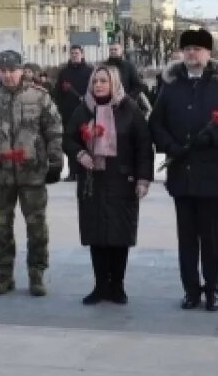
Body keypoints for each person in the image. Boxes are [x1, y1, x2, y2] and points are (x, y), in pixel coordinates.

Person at [149, 29, 218, 312]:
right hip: (181, 172)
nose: (192, 53)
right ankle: (191, 289)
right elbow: (156, 123)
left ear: (209, 54)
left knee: (212, 237)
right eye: (187, 48)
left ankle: (213, 287)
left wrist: (214, 138)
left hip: (210, 173)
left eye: (198, 49)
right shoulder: (170, 85)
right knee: (187, 237)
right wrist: (169, 145)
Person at [0, 50, 64, 297]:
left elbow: (54, 129)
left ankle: (36, 274)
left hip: (32, 174)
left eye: (13, 71)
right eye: (3, 71)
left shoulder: (39, 97)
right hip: (0, 174)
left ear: (22, 70)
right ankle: (4, 274)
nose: (9, 76)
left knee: (36, 227)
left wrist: (56, 162)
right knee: (1, 226)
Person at [63, 65, 153, 305]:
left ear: (113, 83)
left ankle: (117, 286)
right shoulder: (84, 109)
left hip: (122, 181)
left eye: (104, 81)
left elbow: (143, 146)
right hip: (92, 182)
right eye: (95, 81)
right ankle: (100, 285)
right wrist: (80, 153)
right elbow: (68, 139)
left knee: (119, 236)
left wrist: (143, 179)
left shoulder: (129, 109)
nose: (99, 85)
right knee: (97, 236)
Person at [107, 43, 148, 114]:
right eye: (111, 50)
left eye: (115, 49)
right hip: (107, 104)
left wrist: (127, 98)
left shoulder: (129, 66)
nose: (113, 51)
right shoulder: (105, 66)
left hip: (125, 105)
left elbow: (138, 85)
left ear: (121, 51)